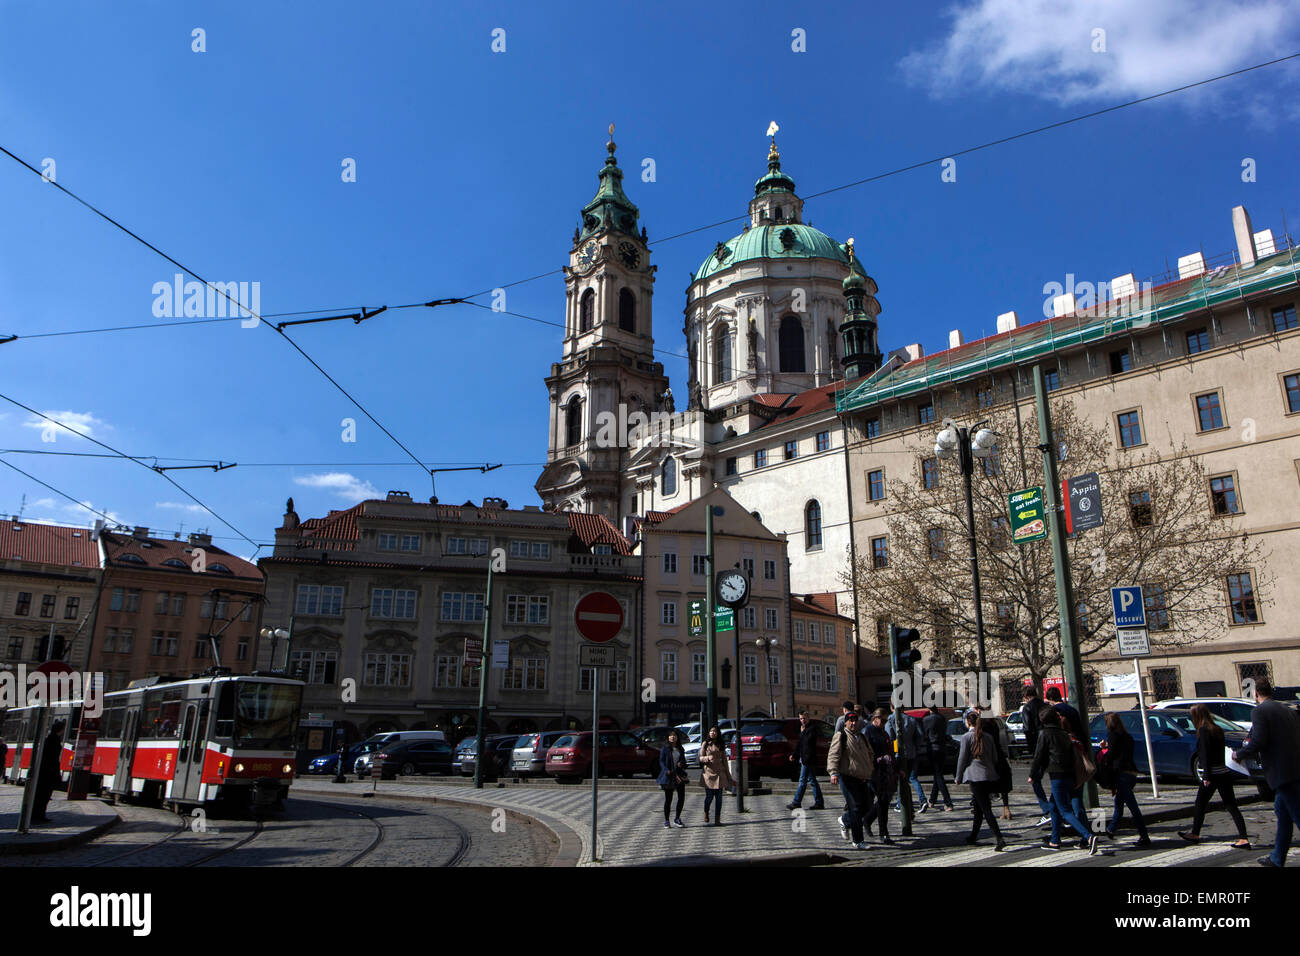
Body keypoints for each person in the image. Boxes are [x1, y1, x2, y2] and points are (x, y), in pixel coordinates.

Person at [1233, 678, 1300, 867]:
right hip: (1294, 768)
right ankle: (1277, 858)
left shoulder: (1259, 711)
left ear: (1255, 693)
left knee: (1297, 814)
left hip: (1281, 772)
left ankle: (1277, 858)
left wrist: (1239, 754)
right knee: (1283, 815)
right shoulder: (1287, 709)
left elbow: (1259, 740)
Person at [1178, 704, 1250, 849]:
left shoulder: (1203, 731)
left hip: (1212, 774)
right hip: (1223, 772)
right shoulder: (1217, 729)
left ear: (1197, 716)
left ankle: (1195, 833)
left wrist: (1206, 776)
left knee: (1200, 803)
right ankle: (1244, 837)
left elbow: (1205, 754)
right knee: (1231, 805)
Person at [1029, 707, 1095, 852]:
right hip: (1070, 774)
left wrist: (1033, 774)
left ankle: (1088, 835)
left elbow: (1039, 756)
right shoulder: (1065, 734)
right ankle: (1055, 840)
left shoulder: (1045, 734)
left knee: (1065, 810)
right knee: (1053, 806)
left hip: (1057, 774)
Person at [955, 710, 1007, 851]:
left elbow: (962, 759)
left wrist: (958, 777)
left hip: (975, 776)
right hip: (989, 775)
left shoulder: (966, 737)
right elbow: (995, 757)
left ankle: (999, 837)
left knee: (985, 808)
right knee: (979, 808)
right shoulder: (988, 737)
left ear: (967, 722)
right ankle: (973, 835)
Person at [1100, 712, 1150, 846]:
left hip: (1121, 773)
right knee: (1119, 802)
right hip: (1132, 772)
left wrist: (1104, 749)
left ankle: (1144, 836)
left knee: (1133, 807)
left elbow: (1111, 755)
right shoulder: (1128, 736)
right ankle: (1111, 829)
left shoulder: (1113, 735)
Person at [827, 711, 875, 850]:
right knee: (855, 808)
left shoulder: (862, 737)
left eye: (855, 720)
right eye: (851, 721)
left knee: (866, 806)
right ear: (846, 722)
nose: (853, 723)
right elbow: (833, 755)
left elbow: (870, 753)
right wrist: (833, 772)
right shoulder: (841, 736)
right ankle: (858, 840)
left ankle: (844, 820)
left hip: (863, 777)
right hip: (848, 776)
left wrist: (870, 767)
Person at [1045, 687, 1087, 825]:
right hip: (1078, 752)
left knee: (1060, 802)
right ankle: (1083, 828)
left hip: (1062, 760)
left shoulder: (1055, 713)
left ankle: (1077, 831)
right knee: (1076, 797)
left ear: (1050, 699)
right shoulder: (1072, 710)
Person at [864, 709, 899, 843]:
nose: (884, 723)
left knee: (884, 801)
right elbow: (866, 752)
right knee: (870, 802)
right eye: (882, 720)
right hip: (873, 771)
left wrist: (896, 768)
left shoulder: (883, 732)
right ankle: (860, 822)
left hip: (885, 770)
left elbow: (889, 751)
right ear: (875, 718)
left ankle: (882, 832)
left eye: (886, 721)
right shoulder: (868, 731)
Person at [1021, 686, 1053, 827]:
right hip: (1051, 745)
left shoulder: (1027, 708)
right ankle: (1053, 805)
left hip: (1037, 746)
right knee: (1055, 777)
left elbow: (1028, 729)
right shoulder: (1045, 706)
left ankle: (1047, 808)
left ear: (1026, 696)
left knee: (1034, 779)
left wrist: (1031, 749)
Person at [885, 709, 926, 811]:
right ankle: (908, 806)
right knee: (907, 780)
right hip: (911, 753)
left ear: (891, 707)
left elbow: (889, 736)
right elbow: (920, 736)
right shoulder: (911, 719)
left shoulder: (890, 719)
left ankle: (904, 806)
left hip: (898, 754)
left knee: (900, 781)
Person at [787, 711, 825, 810]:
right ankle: (819, 802)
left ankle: (796, 802)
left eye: (804, 718)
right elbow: (800, 744)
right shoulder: (804, 729)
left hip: (808, 758)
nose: (802, 721)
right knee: (812, 780)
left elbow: (808, 742)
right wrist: (794, 754)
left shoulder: (812, 729)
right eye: (801, 719)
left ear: (808, 718)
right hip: (804, 758)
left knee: (803, 780)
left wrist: (803, 732)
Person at [31, 720, 65, 824]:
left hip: (45, 771)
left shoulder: (50, 739)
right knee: (44, 795)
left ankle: (38, 814)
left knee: (43, 795)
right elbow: (52, 758)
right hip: (48, 772)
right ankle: (38, 814)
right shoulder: (53, 740)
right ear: (60, 730)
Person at [921, 705, 954, 811]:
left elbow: (924, 734)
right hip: (942, 748)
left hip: (932, 748)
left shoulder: (927, 719)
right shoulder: (942, 718)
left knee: (938, 775)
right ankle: (932, 799)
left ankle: (947, 801)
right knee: (937, 773)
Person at [698, 726, 733, 826]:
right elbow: (700, 758)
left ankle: (717, 819)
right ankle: (706, 812)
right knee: (709, 797)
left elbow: (725, 761)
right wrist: (707, 758)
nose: (713, 733)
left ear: (718, 733)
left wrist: (728, 775)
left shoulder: (721, 745)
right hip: (708, 773)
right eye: (711, 731)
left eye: (715, 731)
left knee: (719, 798)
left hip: (719, 773)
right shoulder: (705, 744)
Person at [657, 729, 689, 828]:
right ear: (668, 737)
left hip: (679, 774)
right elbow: (661, 761)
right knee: (668, 799)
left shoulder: (680, 748)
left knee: (681, 797)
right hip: (669, 775)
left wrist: (682, 763)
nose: (673, 737)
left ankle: (677, 818)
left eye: (674, 735)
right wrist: (666, 770)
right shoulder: (665, 748)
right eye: (671, 735)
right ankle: (667, 820)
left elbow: (683, 760)